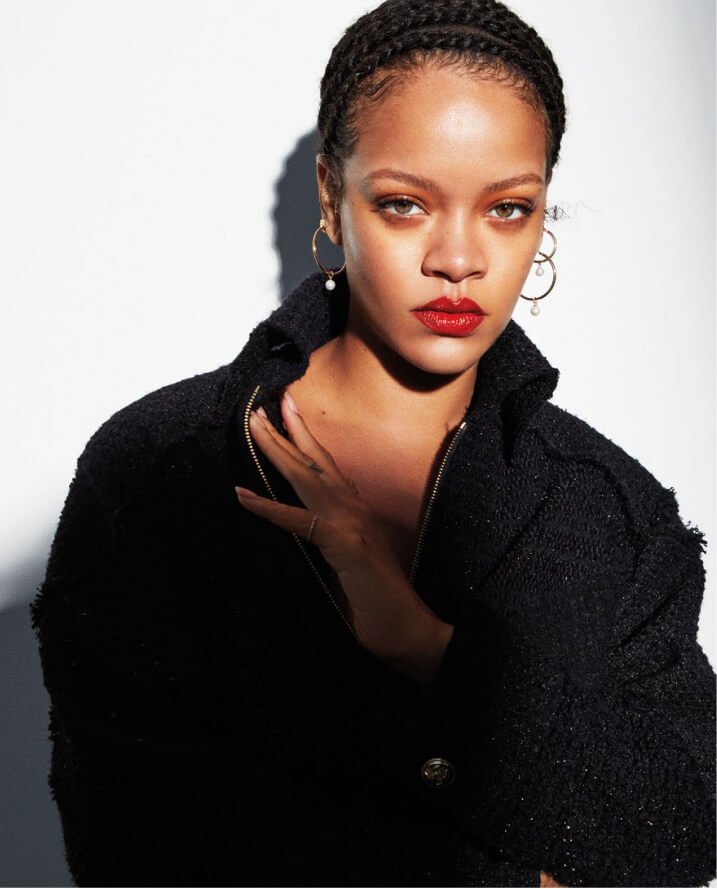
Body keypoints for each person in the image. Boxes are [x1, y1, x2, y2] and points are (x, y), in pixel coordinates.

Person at [30, 0, 715, 886]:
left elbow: (681, 829)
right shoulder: (160, 471)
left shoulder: (609, 514)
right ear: (331, 195)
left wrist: (431, 650)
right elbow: (131, 849)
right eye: (403, 204)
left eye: (507, 209)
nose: (458, 260)